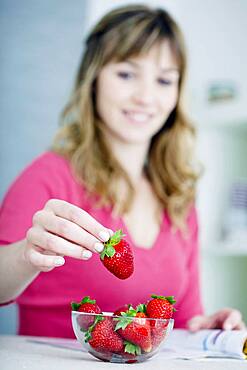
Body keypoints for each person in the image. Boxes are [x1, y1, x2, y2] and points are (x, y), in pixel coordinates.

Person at [0, 4, 245, 338]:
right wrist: (30, 254)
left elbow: (184, 318)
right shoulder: (48, 177)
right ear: (94, 79)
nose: (146, 97)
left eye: (163, 80)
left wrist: (206, 329)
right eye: (126, 74)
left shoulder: (176, 196)